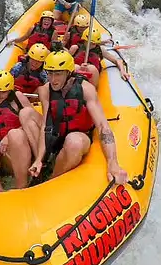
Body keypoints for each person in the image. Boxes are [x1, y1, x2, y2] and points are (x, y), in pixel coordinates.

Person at [29, 51, 128, 185]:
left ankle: (51, 181)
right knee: (26, 114)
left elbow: (103, 126)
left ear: (68, 72)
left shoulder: (86, 89)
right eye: (50, 73)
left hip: (80, 136)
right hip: (57, 135)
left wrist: (113, 162)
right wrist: (39, 158)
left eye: (58, 74)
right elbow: (46, 125)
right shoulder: (45, 90)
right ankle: (44, 167)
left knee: (73, 142)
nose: (53, 79)